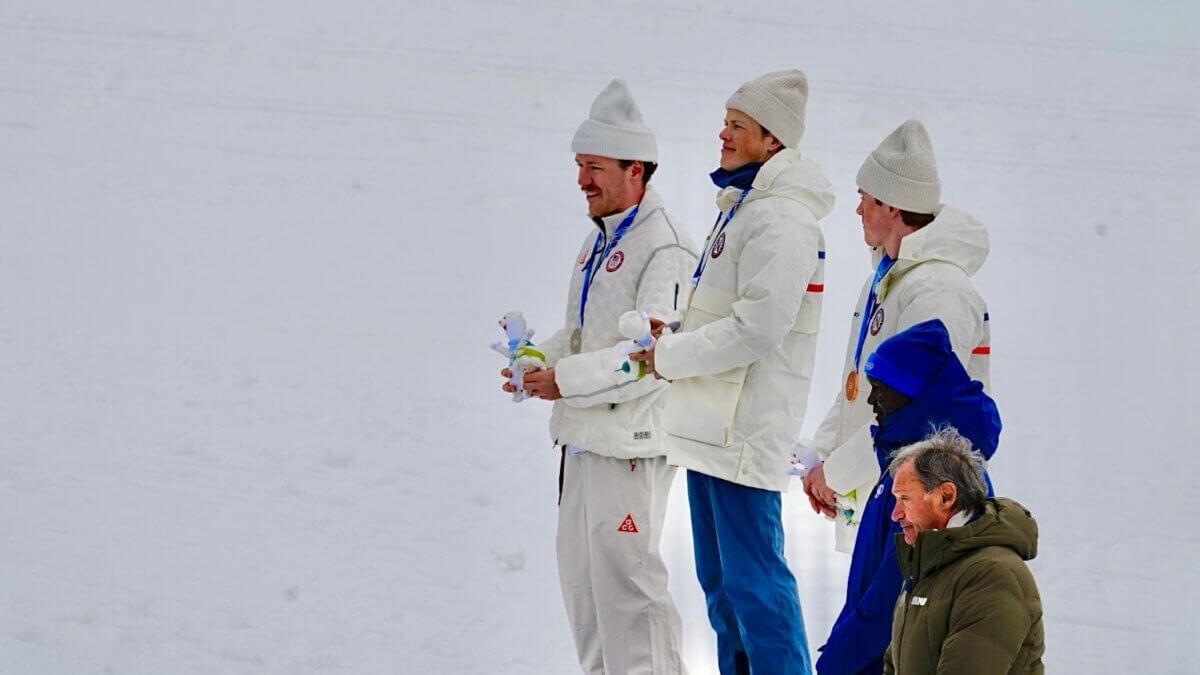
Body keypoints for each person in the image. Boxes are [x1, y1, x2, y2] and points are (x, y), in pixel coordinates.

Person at [632, 69, 834, 675]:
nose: (722, 133)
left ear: (772, 139)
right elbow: (725, 313)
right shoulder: (745, 207)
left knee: (756, 590)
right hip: (709, 430)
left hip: (742, 435)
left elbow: (758, 328)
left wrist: (670, 358)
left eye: (737, 125)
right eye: (726, 121)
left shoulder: (783, 220)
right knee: (723, 592)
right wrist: (673, 332)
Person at [501, 78, 696, 675]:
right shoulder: (598, 241)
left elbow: (649, 358)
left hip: (629, 451)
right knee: (586, 601)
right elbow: (587, 335)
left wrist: (565, 378)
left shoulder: (665, 249)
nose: (582, 180)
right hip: (582, 446)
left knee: (630, 600)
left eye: (593, 167)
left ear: (635, 169)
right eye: (579, 166)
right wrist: (539, 360)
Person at [797, 119, 993, 552]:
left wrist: (838, 475)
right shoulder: (883, 282)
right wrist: (824, 461)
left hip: (922, 507)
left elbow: (916, 418)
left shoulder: (939, 291)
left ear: (891, 206)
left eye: (864, 199)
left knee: (888, 621)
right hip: (880, 496)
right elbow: (856, 392)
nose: (857, 210)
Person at [815, 319, 1001, 674]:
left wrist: (840, 658)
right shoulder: (905, 457)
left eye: (881, 388)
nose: (871, 401)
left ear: (913, 393)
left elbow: (894, 596)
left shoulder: (938, 479)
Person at [882, 429, 1044, 673]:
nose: (895, 514)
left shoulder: (992, 576)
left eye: (905, 499)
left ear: (946, 497)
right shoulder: (929, 566)